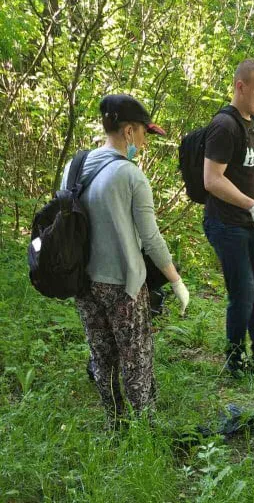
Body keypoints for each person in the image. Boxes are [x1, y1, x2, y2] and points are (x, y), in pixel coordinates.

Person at [63, 94, 190, 424]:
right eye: (145, 134)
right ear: (129, 131)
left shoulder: (74, 166)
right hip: (122, 284)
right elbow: (151, 238)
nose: (145, 144)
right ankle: (145, 430)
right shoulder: (131, 176)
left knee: (101, 354)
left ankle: (113, 422)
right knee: (136, 356)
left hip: (81, 280)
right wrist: (175, 281)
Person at [203, 59, 254, 376]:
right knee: (243, 291)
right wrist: (252, 204)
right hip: (224, 223)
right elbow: (212, 179)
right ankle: (234, 359)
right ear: (241, 86)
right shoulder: (224, 126)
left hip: (248, 222)